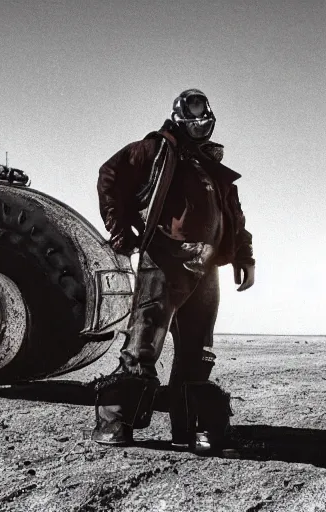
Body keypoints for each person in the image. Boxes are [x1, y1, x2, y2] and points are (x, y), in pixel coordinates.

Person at [93, 89, 255, 452]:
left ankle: (194, 431)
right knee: (143, 343)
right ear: (180, 117)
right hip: (164, 261)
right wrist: (120, 230)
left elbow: (236, 218)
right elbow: (110, 175)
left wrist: (245, 257)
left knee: (197, 352)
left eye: (204, 118)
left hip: (207, 266)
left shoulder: (213, 168)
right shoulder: (155, 149)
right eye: (192, 117)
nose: (199, 123)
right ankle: (116, 424)